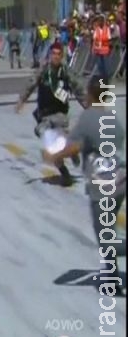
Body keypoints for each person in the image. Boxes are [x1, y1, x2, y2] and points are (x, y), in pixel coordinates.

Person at [42, 78, 126, 296]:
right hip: (120, 182)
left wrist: (52, 156)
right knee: (108, 234)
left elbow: (73, 147)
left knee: (105, 238)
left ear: (90, 95)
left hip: (103, 186)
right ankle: (114, 281)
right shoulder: (111, 118)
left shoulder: (88, 117)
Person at [15, 43, 86, 186]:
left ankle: (71, 150)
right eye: (53, 53)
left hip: (60, 115)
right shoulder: (43, 71)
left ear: (62, 56)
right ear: (49, 55)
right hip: (44, 115)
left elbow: (78, 90)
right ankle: (65, 172)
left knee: (60, 140)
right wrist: (22, 100)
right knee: (50, 144)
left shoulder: (66, 72)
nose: (55, 57)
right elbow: (30, 84)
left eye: (58, 54)